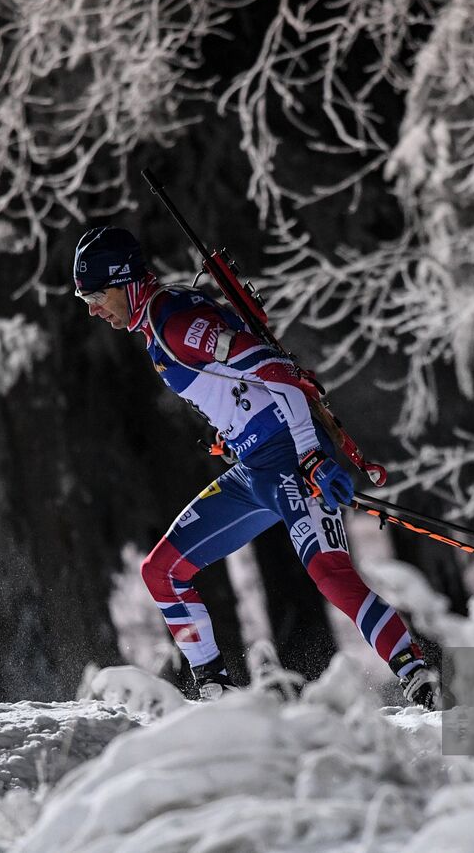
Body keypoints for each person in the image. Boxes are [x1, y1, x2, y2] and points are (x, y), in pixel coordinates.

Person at [73, 225, 439, 708]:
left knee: (329, 573)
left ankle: (416, 675)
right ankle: (215, 693)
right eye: (85, 301)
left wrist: (310, 453)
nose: (93, 310)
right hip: (254, 469)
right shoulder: (158, 324)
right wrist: (232, 431)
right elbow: (238, 382)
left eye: (96, 296)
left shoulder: (174, 323)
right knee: (162, 571)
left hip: (289, 458)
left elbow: (277, 371)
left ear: (124, 281)